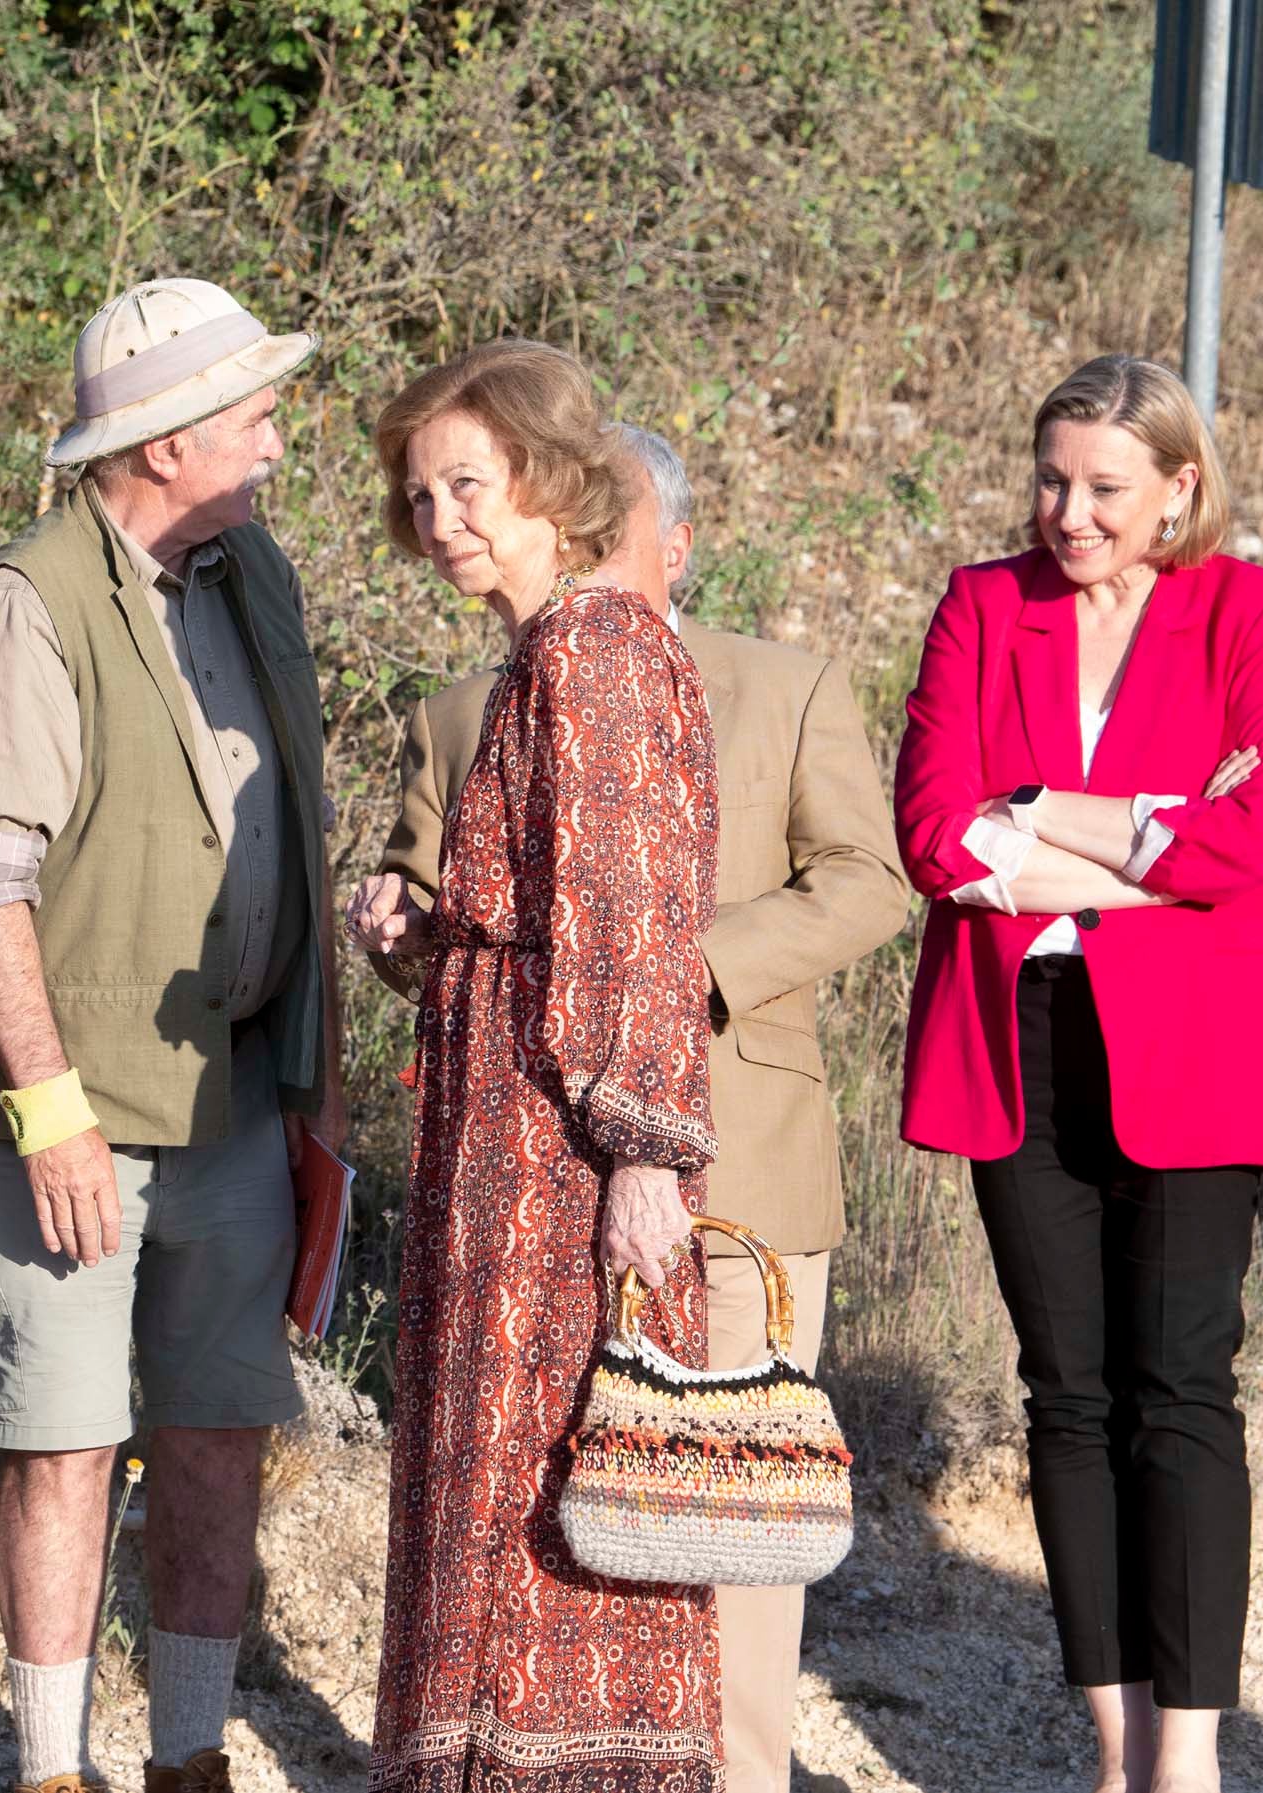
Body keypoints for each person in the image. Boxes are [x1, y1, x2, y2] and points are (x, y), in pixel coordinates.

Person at [347, 423, 909, 1793]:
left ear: (681, 539)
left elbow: (871, 882)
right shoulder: (474, 697)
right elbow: (435, 895)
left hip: (737, 1172)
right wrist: (395, 923)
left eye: (627, 526)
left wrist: (672, 971)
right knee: (541, 1525)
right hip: (529, 1168)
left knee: (716, 1526)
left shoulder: (783, 683)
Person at [0, 276, 345, 1793]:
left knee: (219, 1433)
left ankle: (186, 1760)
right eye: (250, 414)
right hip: (70, 1115)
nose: (275, 439)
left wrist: (315, 1083)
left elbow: (291, 825)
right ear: (162, 445)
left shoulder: (252, 572)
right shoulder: (27, 599)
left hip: (235, 1098)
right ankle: (48, 1770)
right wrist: (45, 1106)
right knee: (66, 1439)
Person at [893, 353, 1263, 1793]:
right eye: (1052, 480)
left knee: (1183, 1385)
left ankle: (1187, 1764)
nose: (1068, 513)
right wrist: (1152, 841)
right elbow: (938, 836)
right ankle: (1113, 1748)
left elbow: (1253, 841)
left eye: (1105, 489)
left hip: (1197, 1052)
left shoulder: (1255, 612)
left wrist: (1051, 815)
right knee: (1066, 1391)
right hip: (1016, 1039)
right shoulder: (978, 603)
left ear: (1179, 490)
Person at [358, 339, 724, 1791]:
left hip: (562, 1163)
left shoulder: (600, 645)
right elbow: (554, 897)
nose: (441, 516)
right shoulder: (545, 653)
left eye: (467, 481)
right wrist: (437, 924)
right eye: (419, 492)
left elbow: (636, 910)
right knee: (494, 1499)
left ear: (546, 476)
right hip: (498, 1149)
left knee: (551, 1509)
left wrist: (645, 1151)